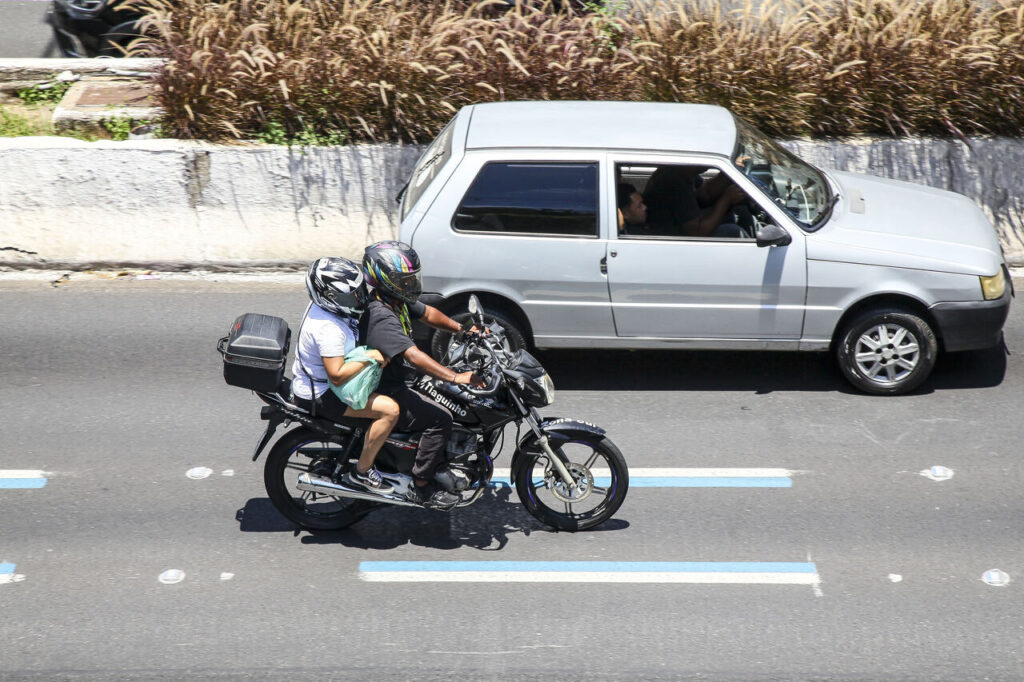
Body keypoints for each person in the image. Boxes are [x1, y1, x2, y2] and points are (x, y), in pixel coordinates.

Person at [359, 240, 483, 510]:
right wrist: (454, 376)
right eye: (404, 279)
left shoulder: (395, 299)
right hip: (388, 387)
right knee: (440, 419)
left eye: (412, 277)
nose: (411, 284)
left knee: (453, 401)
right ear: (386, 280)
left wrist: (462, 330)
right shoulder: (380, 314)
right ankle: (422, 486)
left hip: (403, 379)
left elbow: (429, 313)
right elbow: (413, 356)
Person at [291, 257, 401, 495]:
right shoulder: (328, 329)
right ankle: (362, 472)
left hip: (317, 380)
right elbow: (338, 375)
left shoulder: (325, 309)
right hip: (323, 394)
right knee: (390, 410)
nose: (358, 300)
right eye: (349, 297)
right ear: (328, 297)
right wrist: (371, 356)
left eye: (359, 293)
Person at [643, 165, 748, 238]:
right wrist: (726, 200)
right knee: (733, 231)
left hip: (684, 228)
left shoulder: (682, 172)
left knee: (736, 213)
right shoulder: (674, 182)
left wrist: (728, 174)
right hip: (673, 239)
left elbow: (704, 195)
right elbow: (697, 233)